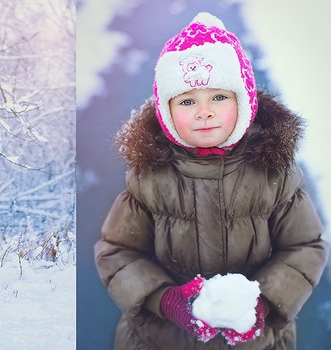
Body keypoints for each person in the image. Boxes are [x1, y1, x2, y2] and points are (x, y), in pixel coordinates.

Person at [94, 12, 328, 349]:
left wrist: (264, 303)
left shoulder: (273, 173)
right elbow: (117, 251)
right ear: (167, 111)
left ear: (243, 102)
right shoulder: (149, 177)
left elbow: (305, 246)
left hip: (257, 340)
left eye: (219, 97)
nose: (204, 112)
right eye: (188, 101)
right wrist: (163, 299)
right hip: (160, 339)